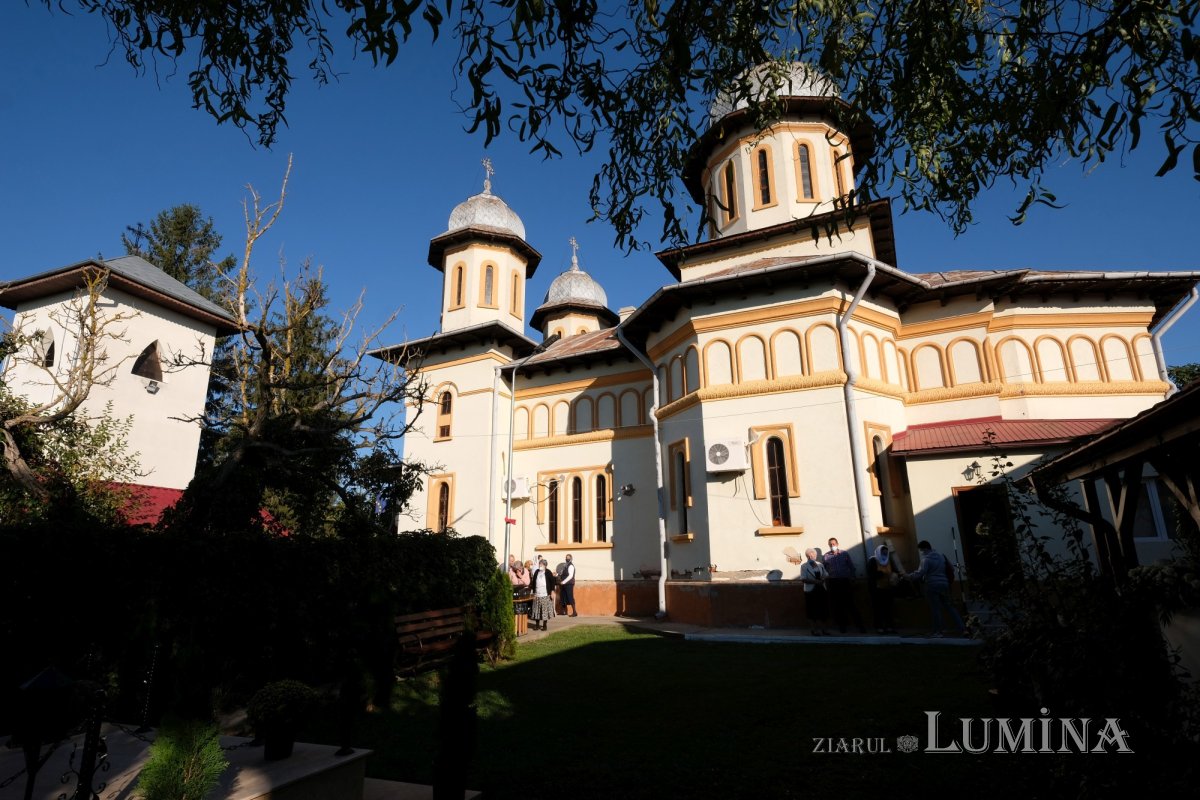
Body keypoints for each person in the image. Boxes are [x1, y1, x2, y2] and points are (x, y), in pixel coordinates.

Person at [907, 540, 966, 637]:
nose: (921, 552)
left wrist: (908, 576)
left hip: (932, 585)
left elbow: (920, 573)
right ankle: (962, 629)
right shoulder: (941, 556)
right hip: (945, 584)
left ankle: (938, 631)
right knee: (950, 607)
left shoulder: (926, 559)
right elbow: (951, 568)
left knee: (936, 608)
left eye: (921, 550)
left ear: (925, 548)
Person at [822, 537, 866, 634]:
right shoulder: (825, 557)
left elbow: (851, 566)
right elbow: (824, 571)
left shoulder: (844, 554)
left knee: (851, 604)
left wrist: (853, 578)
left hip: (845, 582)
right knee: (838, 606)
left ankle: (860, 626)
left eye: (834, 544)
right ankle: (842, 627)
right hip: (833, 583)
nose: (832, 546)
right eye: (830, 544)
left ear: (837, 544)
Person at [791, 548, 830, 635]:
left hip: (821, 589)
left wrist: (823, 579)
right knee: (812, 610)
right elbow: (803, 579)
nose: (814, 556)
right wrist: (815, 582)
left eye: (815, 555)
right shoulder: (804, 566)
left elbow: (826, 574)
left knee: (823, 609)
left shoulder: (820, 564)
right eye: (812, 555)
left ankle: (824, 629)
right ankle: (814, 629)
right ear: (808, 556)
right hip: (811, 591)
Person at [866, 544, 899, 633]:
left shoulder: (889, 560)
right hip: (877, 589)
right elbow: (870, 574)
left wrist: (895, 575)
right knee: (878, 609)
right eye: (883, 553)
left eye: (886, 553)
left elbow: (895, 570)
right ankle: (879, 626)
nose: (884, 554)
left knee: (888, 608)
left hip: (888, 588)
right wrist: (880, 574)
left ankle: (889, 626)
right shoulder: (873, 560)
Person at [529, 557, 557, 631]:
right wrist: (533, 592)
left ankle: (544, 625)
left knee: (545, 611)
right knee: (536, 610)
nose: (540, 566)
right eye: (539, 564)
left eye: (541, 564)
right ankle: (537, 625)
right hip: (537, 594)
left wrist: (552, 591)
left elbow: (552, 582)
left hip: (545, 594)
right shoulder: (536, 572)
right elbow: (533, 582)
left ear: (545, 565)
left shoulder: (548, 572)